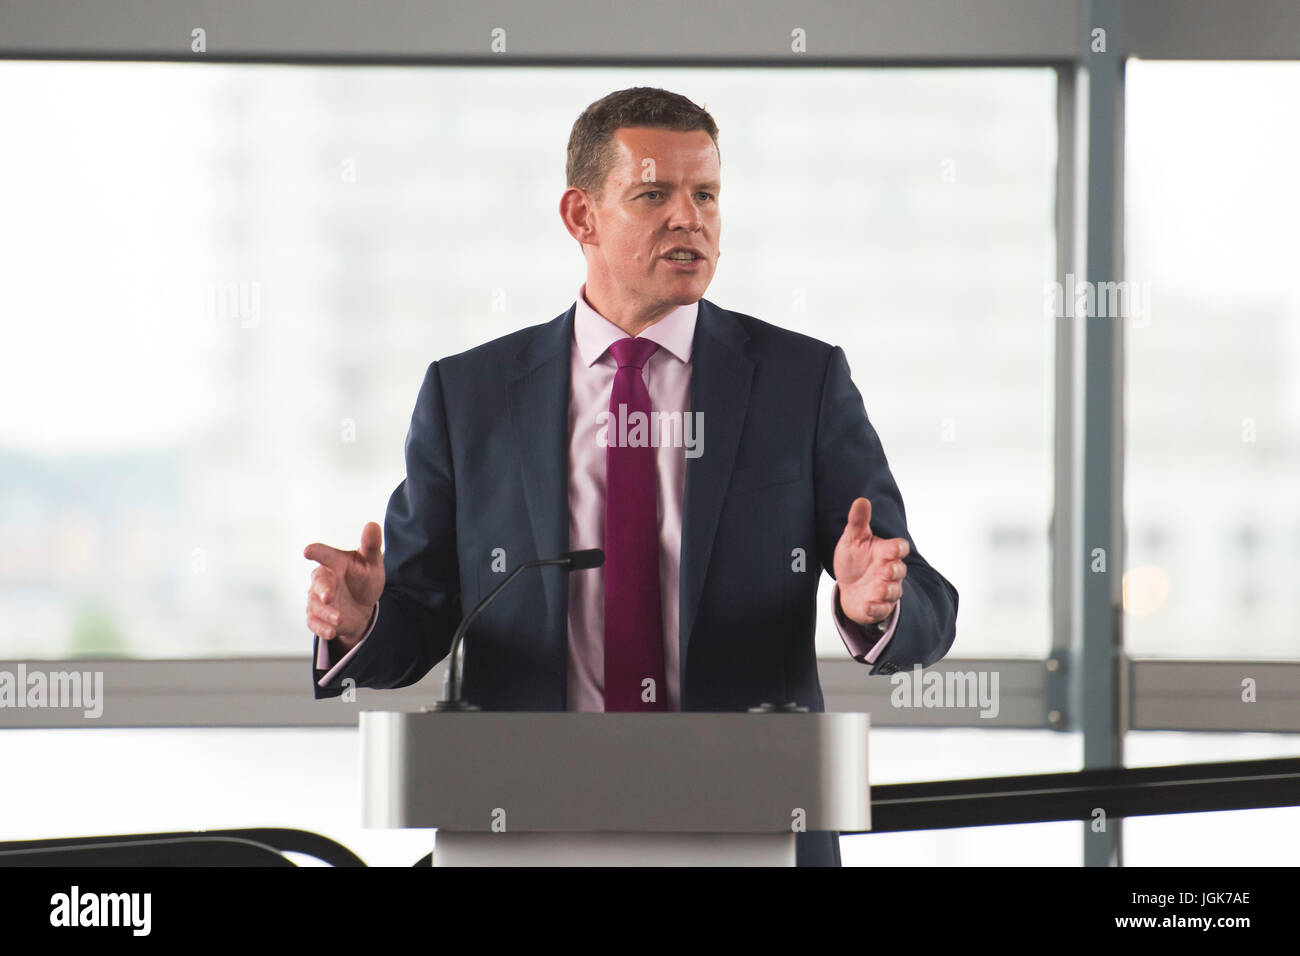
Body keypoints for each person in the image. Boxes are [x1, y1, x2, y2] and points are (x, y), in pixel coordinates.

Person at [303, 87, 958, 867]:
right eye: (654, 194)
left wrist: (868, 604)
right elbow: (420, 613)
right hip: (524, 831)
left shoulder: (800, 383)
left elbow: (927, 606)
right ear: (581, 217)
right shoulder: (469, 395)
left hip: (749, 833)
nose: (690, 218)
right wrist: (361, 620)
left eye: (706, 194)